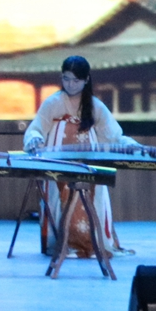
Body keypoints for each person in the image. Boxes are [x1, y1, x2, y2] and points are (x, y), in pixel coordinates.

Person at [24, 54, 138, 258]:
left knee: (91, 195)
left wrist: (128, 144)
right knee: (60, 197)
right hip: (58, 162)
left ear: (86, 80)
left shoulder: (95, 106)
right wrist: (34, 139)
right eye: (66, 79)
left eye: (76, 80)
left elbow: (114, 135)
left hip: (88, 161)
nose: (70, 84)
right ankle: (65, 244)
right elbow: (36, 129)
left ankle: (92, 243)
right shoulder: (53, 103)